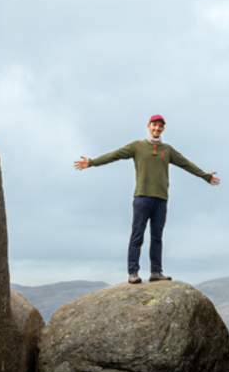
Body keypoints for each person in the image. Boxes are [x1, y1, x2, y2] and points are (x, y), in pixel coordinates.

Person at [74, 114, 221, 284]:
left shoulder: (168, 150)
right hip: (142, 198)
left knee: (157, 237)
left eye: (160, 126)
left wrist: (205, 176)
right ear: (148, 126)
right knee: (138, 235)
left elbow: (186, 164)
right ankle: (133, 273)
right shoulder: (137, 146)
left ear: (163, 129)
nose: (157, 128)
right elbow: (114, 155)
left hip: (161, 199)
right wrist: (92, 162)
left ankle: (156, 272)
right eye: (154, 125)